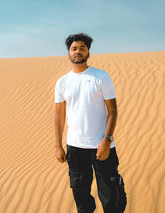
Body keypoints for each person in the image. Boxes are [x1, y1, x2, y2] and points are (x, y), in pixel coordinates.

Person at [54, 33, 126, 213]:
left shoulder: (101, 77)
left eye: (82, 48)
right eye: (74, 48)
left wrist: (106, 140)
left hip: (102, 146)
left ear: (88, 52)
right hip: (75, 148)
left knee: (111, 197)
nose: (78, 51)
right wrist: (57, 145)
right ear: (68, 53)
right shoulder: (62, 82)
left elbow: (113, 110)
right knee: (81, 196)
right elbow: (59, 115)